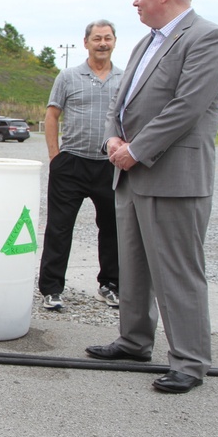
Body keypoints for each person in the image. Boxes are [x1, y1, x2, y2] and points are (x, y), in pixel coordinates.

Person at [86, 0, 218, 394]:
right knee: (133, 267)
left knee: (177, 271)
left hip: (173, 177)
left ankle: (189, 361)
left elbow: (186, 107)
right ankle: (134, 341)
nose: (135, 1)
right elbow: (122, 100)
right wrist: (113, 138)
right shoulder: (146, 44)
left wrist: (136, 150)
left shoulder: (207, 38)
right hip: (130, 175)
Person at [38, 20, 124, 311]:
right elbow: (52, 116)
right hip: (71, 163)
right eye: (97, 38)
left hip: (109, 164)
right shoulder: (68, 77)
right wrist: (55, 155)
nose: (102, 43)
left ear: (114, 42)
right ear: (85, 42)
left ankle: (110, 285)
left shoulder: (124, 79)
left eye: (108, 38)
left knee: (112, 227)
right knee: (59, 228)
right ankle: (51, 289)